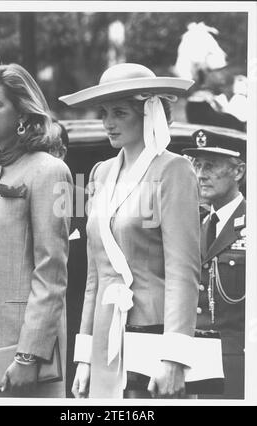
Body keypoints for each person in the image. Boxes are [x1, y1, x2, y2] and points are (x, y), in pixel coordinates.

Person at [59, 63, 201, 399]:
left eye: (119, 112)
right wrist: (85, 357)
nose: (108, 122)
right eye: (104, 112)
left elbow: (183, 271)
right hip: (105, 333)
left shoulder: (174, 170)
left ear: (148, 114)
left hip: (154, 331)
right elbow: (96, 275)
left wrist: (175, 355)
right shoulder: (101, 173)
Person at [0, 63, 73, 398]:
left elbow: (52, 272)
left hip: (20, 349)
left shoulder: (53, 171)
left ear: (23, 114)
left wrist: (29, 354)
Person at [182, 128, 246, 399]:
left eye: (211, 165)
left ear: (238, 172)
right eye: (197, 165)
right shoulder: (200, 225)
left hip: (239, 365)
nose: (200, 174)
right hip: (196, 365)